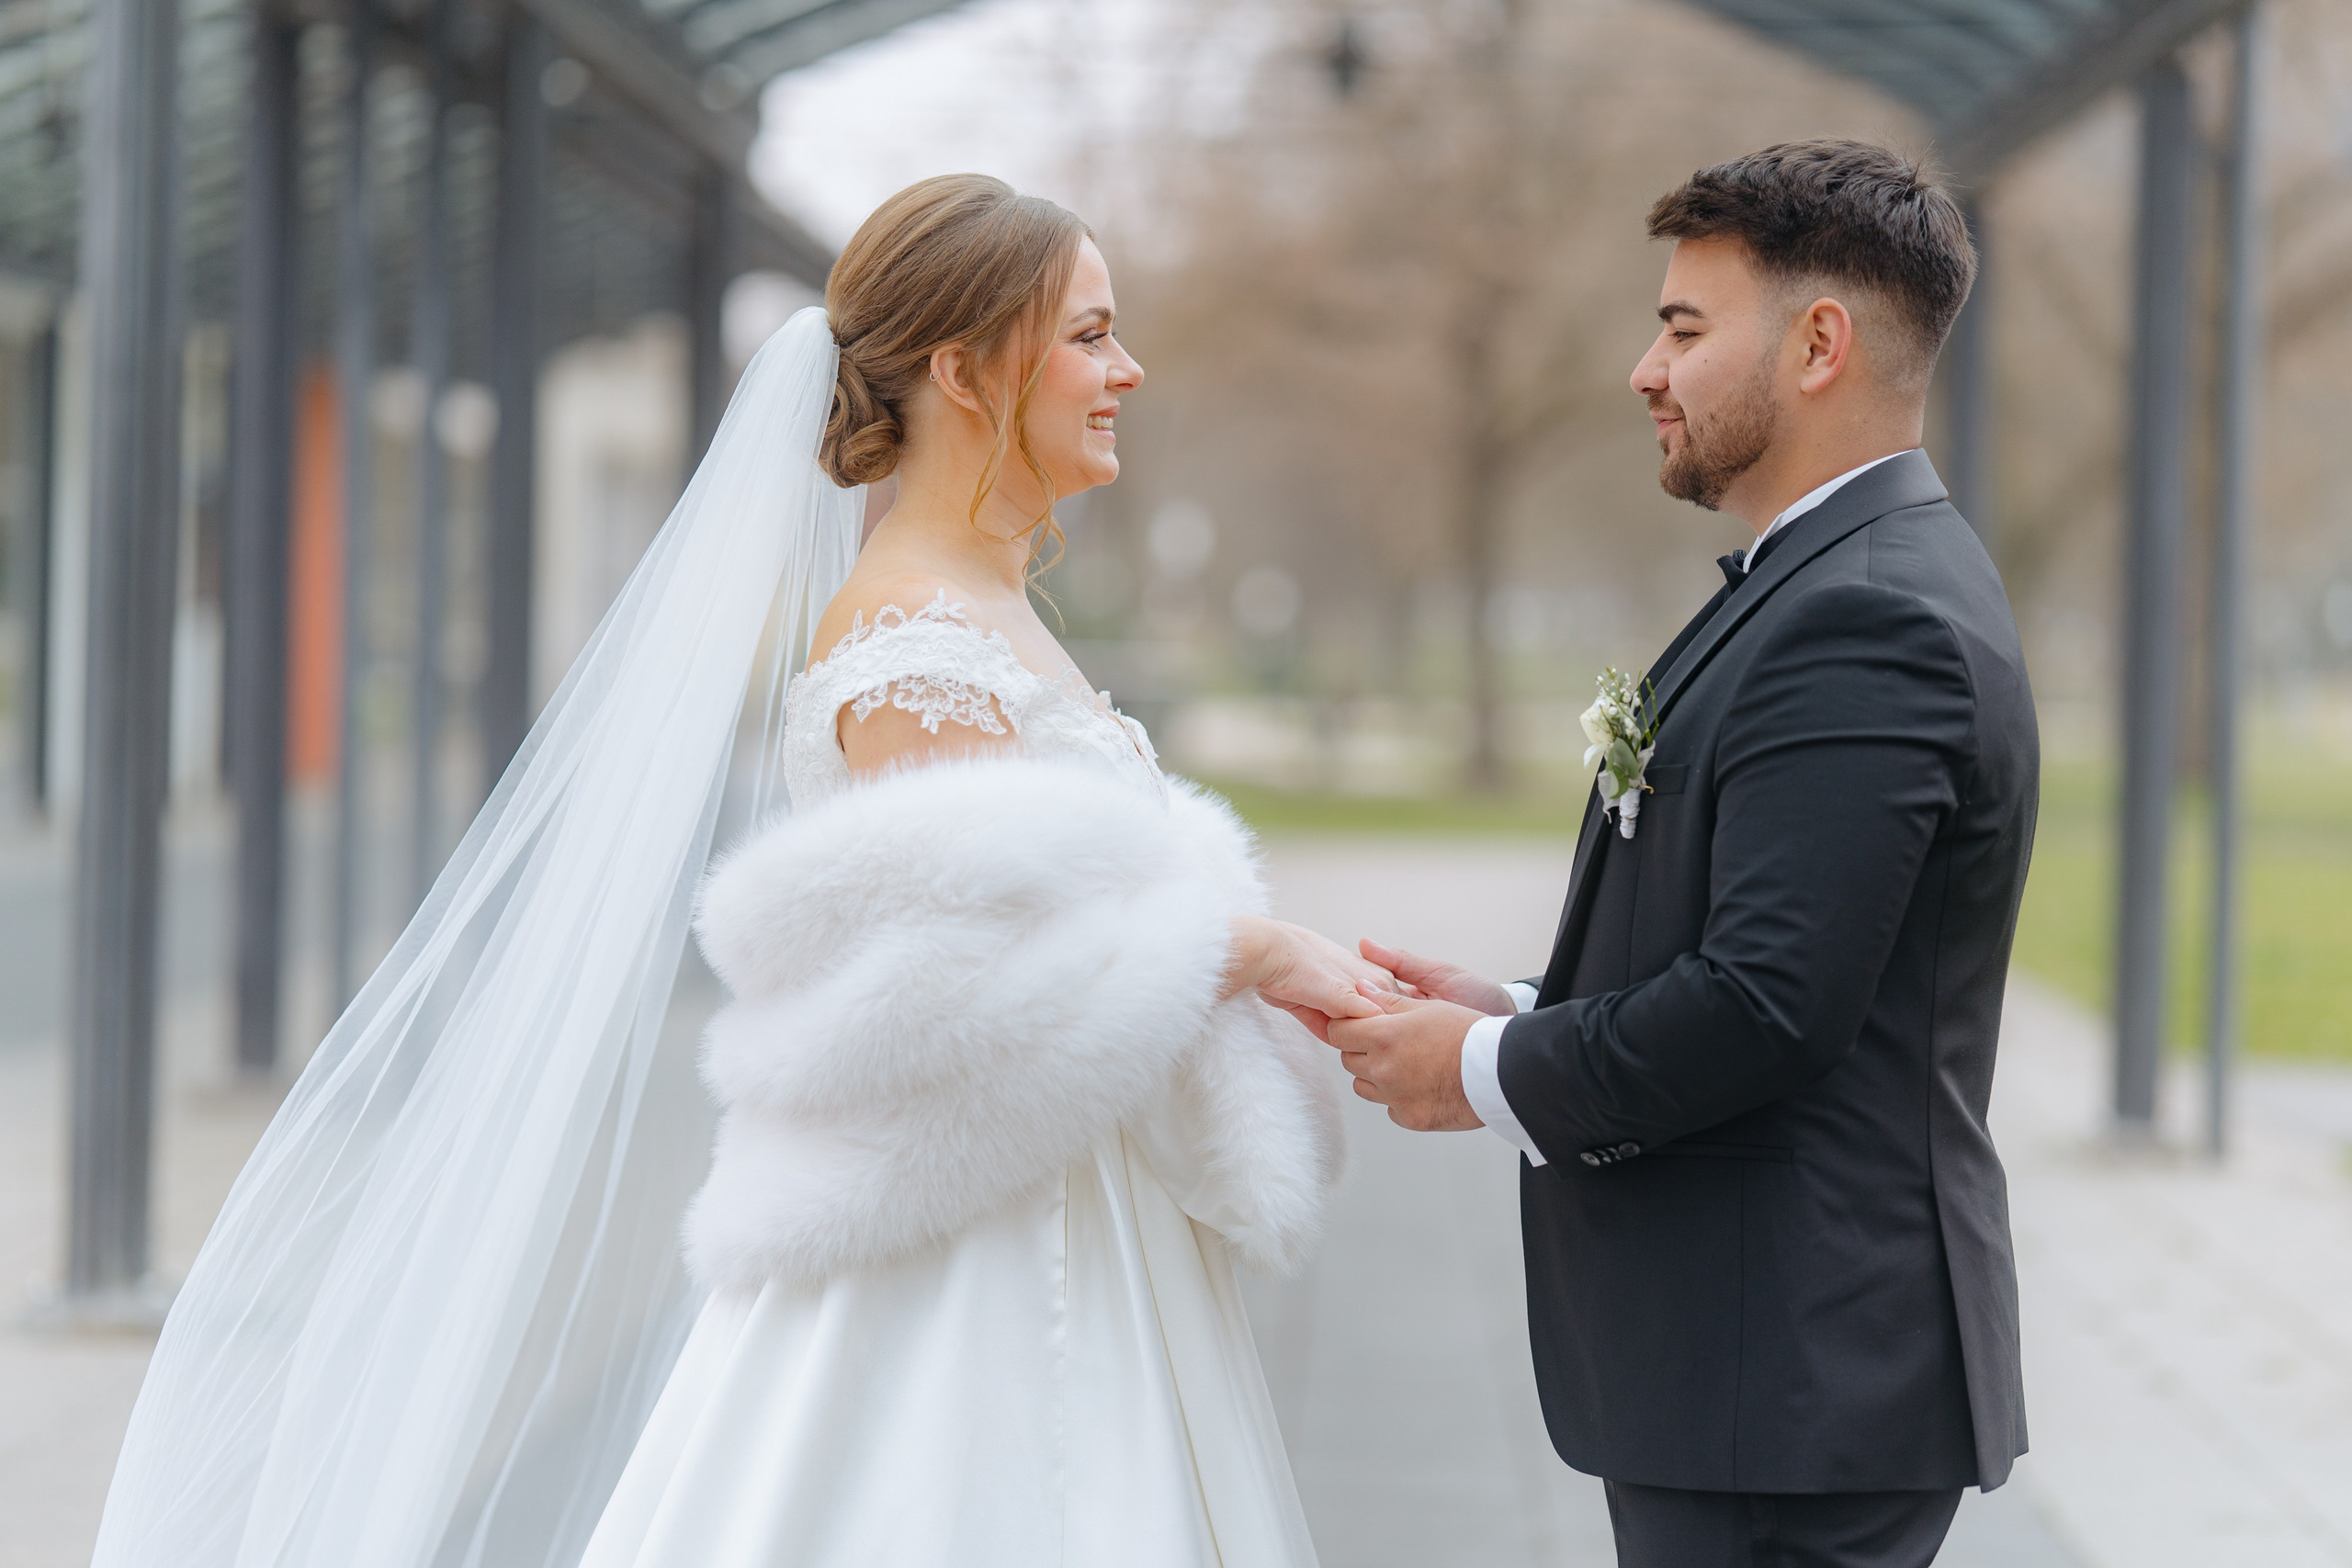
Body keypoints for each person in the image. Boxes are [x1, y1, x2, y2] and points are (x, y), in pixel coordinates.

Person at [92, 175, 1383, 1568]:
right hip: (994, 1262)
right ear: (963, 367)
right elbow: (976, 994)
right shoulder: (914, 639)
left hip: (1078, 1214)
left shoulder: (990, 603)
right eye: (1088, 334)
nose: (1125, 370)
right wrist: (1249, 952)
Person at [1323, 141, 2038, 1568]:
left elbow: (1771, 1006)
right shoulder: (1821, 582)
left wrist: (1478, 1078)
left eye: (1684, 327)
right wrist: (1522, 1009)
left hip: (1786, 1381)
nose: (1646, 369)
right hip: (1758, 1379)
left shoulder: (1867, 620)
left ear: (1820, 343)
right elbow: (1770, 946)